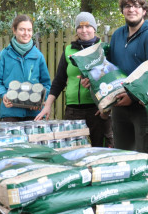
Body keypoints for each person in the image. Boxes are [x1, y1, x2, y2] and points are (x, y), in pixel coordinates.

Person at [104, 0, 148, 192]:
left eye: (137, 6)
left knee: (147, 160)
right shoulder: (118, 35)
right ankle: (130, 205)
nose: (132, 10)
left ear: (144, 11)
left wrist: (132, 96)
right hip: (120, 108)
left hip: (145, 108)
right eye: (127, 6)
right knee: (123, 159)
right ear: (122, 10)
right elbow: (112, 70)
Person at [35, 12, 113, 147]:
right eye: (80, 27)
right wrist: (47, 106)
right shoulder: (68, 51)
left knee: (100, 152)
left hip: (97, 110)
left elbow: (113, 79)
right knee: (73, 152)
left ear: (94, 28)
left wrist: (106, 107)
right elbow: (59, 81)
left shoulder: (104, 49)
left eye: (88, 26)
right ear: (76, 29)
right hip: (73, 111)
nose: (84, 30)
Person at [0, 14, 51, 122]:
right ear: (14, 30)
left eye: (29, 30)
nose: (26, 33)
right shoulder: (4, 55)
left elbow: (46, 83)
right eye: (22, 30)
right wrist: (4, 95)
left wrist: (40, 99)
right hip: (10, 112)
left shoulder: (38, 56)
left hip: (35, 114)